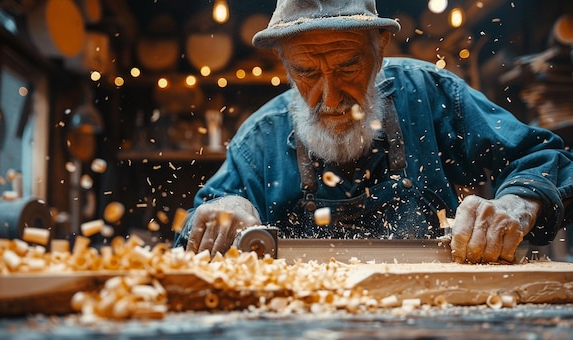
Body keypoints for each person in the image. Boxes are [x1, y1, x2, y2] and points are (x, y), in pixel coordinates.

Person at [174, 0, 573, 264]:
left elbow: (544, 158)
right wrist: (221, 212)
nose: (329, 98)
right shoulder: (261, 138)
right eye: (307, 72)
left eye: (347, 66)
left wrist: (516, 206)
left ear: (380, 46)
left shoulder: (432, 96)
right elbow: (196, 227)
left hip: (434, 311)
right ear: (284, 63)